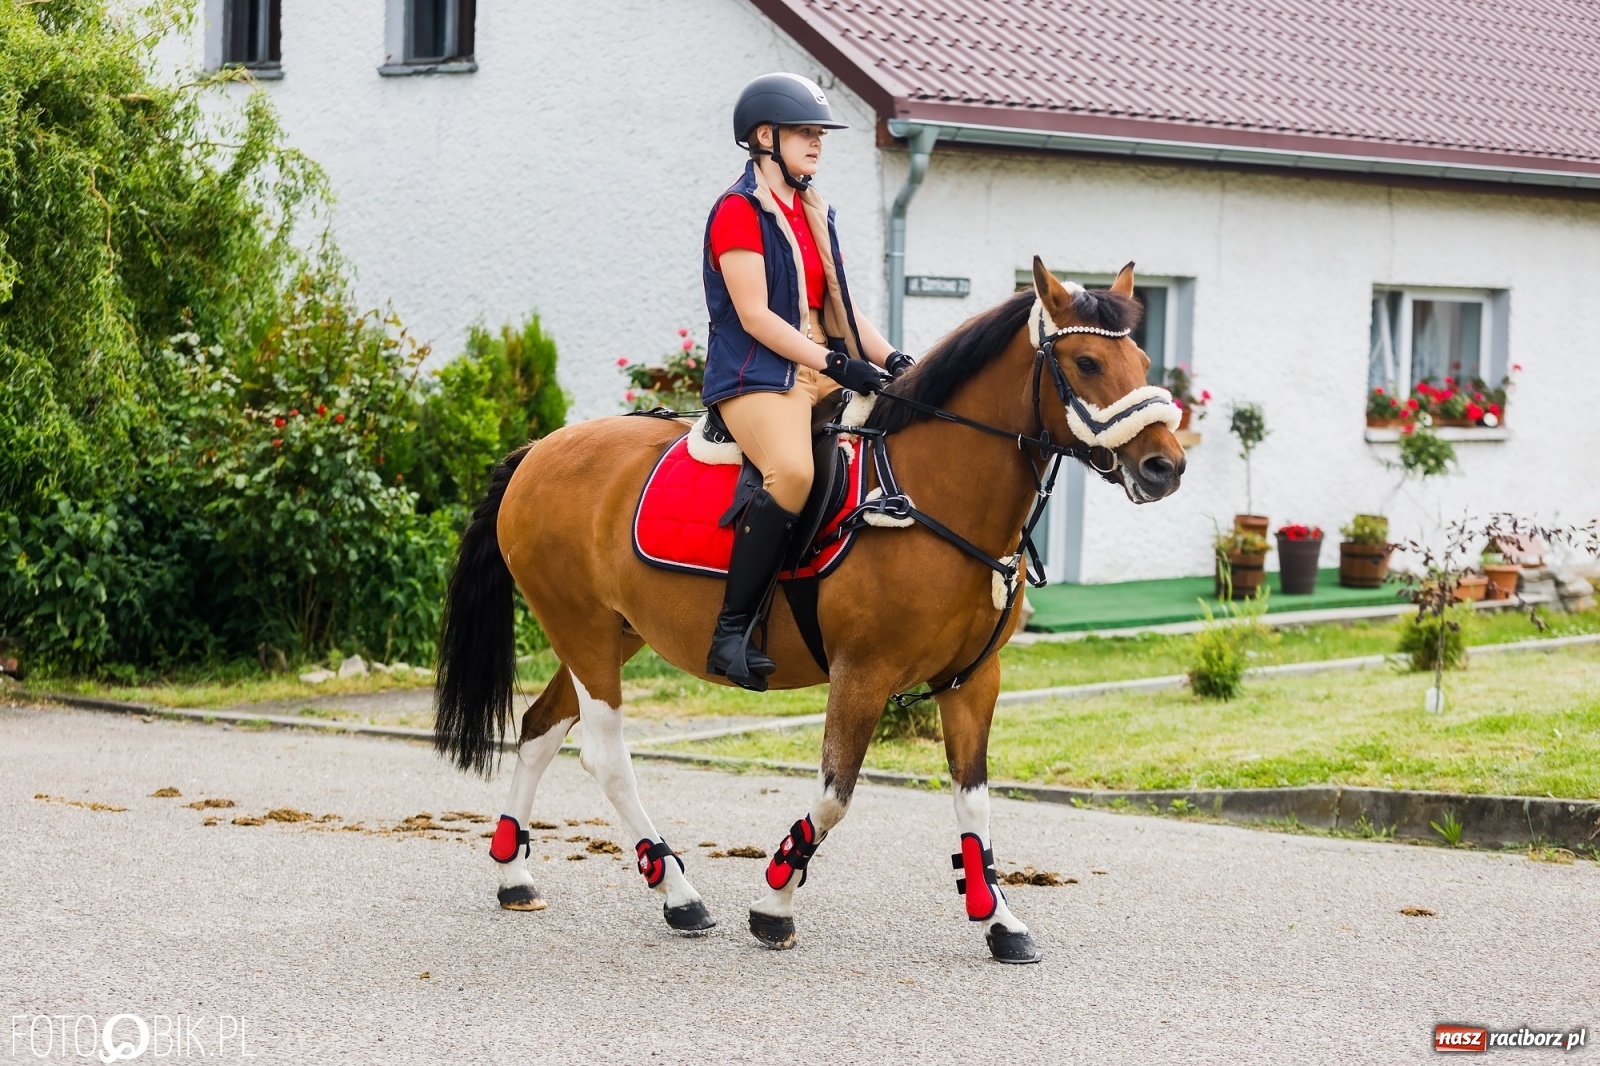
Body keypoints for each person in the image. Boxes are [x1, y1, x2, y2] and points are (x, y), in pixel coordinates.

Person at [701, 72, 914, 691]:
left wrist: (897, 361)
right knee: (792, 473)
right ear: (764, 137)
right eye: (804, 132)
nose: (817, 142)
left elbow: (842, 310)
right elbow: (755, 316)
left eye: (820, 132)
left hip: (819, 366)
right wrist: (836, 365)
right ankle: (731, 631)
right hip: (759, 376)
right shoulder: (738, 212)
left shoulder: (813, 211)